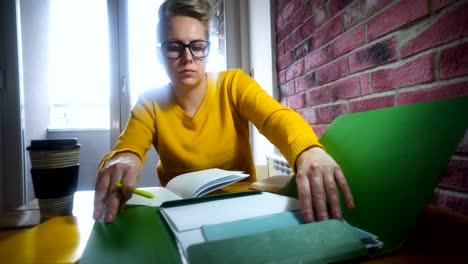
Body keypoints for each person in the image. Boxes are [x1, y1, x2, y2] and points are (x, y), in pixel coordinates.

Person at [93, 0, 354, 224]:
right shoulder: (149, 102)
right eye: (174, 47)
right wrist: (124, 158)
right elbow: (127, 146)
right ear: (161, 53)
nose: (188, 58)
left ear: (207, 49)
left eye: (197, 46)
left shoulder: (234, 84)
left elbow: (275, 117)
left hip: (242, 208)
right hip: (181, 214)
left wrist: (308, 151)